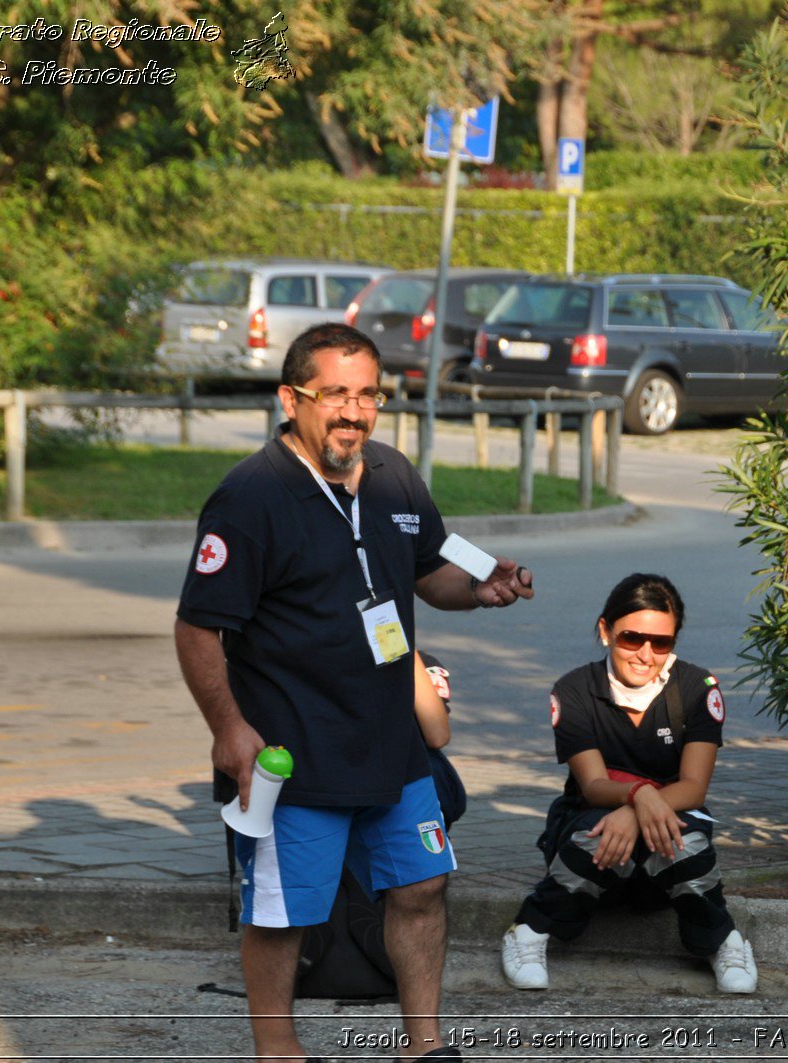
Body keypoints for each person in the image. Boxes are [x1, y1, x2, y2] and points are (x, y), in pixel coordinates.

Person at [174, 322, 534, 1063]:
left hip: (393, 745)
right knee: (285, 912)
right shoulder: (250, 496)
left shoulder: (396, 473)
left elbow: (432, 569)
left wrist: (482, 587)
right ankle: (279, 1051)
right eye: (335, 393)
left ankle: (422, 1048)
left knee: (422, 886)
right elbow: (195, 628)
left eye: (368, 393)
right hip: (293, 749)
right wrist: (228, 729)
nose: (354, 411)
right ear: (291, 398)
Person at [500, 573, 758, 994]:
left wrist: (638, 813)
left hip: (667, 840)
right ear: (605, 631)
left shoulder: (697, 688)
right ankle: (528, 930)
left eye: (661, 643)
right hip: (597, 837)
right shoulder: (575, 689)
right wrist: (638, 796)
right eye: (631, 638)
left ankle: (722, 940)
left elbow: (693, 788)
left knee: (683, 839)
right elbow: (594, 784)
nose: (645, 654)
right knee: (595, 833)